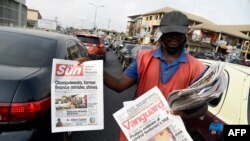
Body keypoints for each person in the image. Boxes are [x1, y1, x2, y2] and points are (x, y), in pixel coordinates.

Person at [77, 11, 207, 141]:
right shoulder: (143, 58)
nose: (173, 37)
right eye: (169, 32)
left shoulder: (196, 68)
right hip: (138, 132)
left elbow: (202, 108)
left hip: (169, 134)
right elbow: (119, 85)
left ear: (185, 34)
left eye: (178, 33)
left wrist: (184, 114)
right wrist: (94, 68)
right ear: (162, 33)